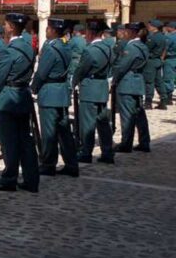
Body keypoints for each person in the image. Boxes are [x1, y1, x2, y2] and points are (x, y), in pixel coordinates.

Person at [0, 12, 39, 193]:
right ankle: (32, 178)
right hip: (23, 94)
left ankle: (9, 178)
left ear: (11, 27)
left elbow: (0, 78)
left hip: (8, 96)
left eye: (6, 24)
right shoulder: (29, 48)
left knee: (9, 141)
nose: (5, 27)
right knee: (25, 139)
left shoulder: (9, 50)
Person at [33, 18, 78, 177]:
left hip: (50, 92)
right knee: (64, 131)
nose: (46, 31)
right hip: (62, 91)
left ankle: (48, 163)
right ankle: (71, 163)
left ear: (52, 31)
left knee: (49, 131)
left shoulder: (51, 49)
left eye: (48, 29)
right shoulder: (66, 46)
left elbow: (42, 72)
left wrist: (34, 87)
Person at [73, 19, 114, 165]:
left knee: (88, 123)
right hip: (102, 86)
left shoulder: (90, 50)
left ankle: (86, 152)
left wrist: (74, 82)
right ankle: (108, 152)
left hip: (89, 88)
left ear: (91, 33)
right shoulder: (108, 48)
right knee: (103, 122)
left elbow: (81, 69)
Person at [114, 23, 151, 153]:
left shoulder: (132, 47)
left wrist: (114, 79)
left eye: (126, 31)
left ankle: (126, 143)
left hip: (127, 83)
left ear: (132, 32)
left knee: (127, 115)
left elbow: (122, 66)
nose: (124, 33)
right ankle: (144, 141)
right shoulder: (142, 46)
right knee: (139, 114)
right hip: (137, 81)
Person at [144, 19, 168, 110]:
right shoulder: (162, 36)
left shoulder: (152, 37)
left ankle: (148, 102)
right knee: (159, 81)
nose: (148, 27)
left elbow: (147, 49)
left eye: (150, 25)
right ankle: (163, 100)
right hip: (157, 60)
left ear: (154, 27)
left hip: (151, 61)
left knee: (149, 82)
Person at [164, 21, 176, 106]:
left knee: (168, 78)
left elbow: (165, 49)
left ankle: (169, 97)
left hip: (170, 59)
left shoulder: (169, 37)